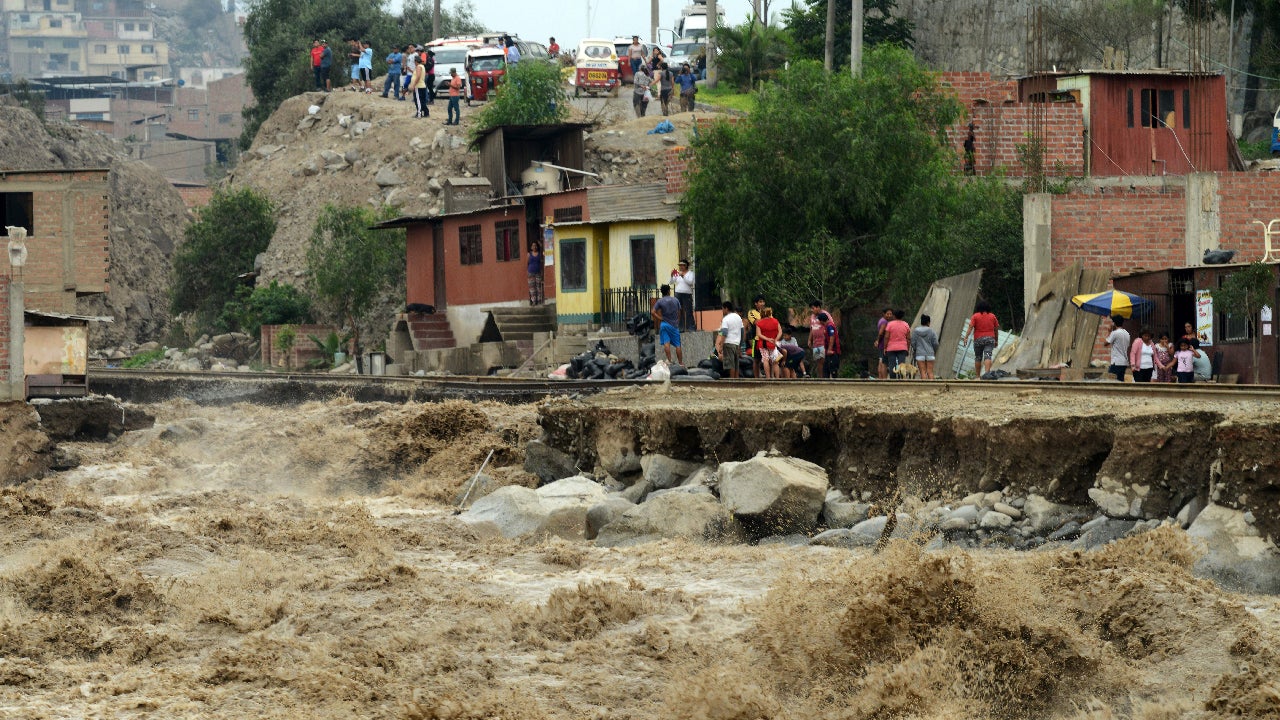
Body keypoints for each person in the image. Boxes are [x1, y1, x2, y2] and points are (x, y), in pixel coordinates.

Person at [960, 301, 999, 379]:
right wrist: (996, 340)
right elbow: (996, 329)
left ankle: (977, 376)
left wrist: (966, 337)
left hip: (978, 339)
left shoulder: (975, 316)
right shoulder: (992, 316)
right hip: (990, 339)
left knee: (978, 357)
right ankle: (987, 375)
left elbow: (970, 327)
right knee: (988, 356)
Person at [653, 284, 683, 365]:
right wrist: (677, 320)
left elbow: (653, 312)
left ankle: (669, 361)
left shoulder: (660, 301)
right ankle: (680, 363)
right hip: (674, 325)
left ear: (662, 292)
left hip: (664, 324)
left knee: (666, 343)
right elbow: (679, 312)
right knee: (678, 345)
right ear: (669, 291)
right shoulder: (675, 300)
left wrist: (660, 318)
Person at [716, 301, 742, 379]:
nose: (722, 311)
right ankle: (736, 379)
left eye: (723, 309)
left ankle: (732, 380)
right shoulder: (738, 317)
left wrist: (721, 346)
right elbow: (742, 330)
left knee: (731, 364)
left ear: (726, 308)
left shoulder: (726, 319)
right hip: (737, 343)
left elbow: (724, 333)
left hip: (728, 343)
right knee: (736, 364)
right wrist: (740, 343)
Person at [754, 307, 782, 379]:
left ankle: (768, 377)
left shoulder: (759, 323)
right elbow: (780, 332)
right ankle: (777, 378)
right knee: (775, 361)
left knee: (765, 359)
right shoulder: (775, 321)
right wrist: (775, 339)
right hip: (773, 343)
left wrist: (767, 339)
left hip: (763, 343)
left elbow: (758, 334)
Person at [883, 309, 911, 378]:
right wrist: (907, 348)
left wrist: (885, 347)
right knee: (901, 365)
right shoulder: (906, 325)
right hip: (902, 348)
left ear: (894, 316)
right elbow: (908, 338)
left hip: (891, 348)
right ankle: (901, 380)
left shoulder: (890, 324)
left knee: (892, 365)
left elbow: (886, 337)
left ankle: (893, 381)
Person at [1104, 314, 1131, 382]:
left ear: (1114, 323)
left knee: (1111, 381)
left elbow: (1105, 343)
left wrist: (1109, 331)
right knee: (1120, 382)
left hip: (1116, 362)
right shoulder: (1127, 333)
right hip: (1124, 362)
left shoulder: (1115, 333)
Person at [913, 314, 940, 380]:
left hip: (919, 354)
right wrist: (934, 350)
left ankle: (924, 388)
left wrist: (916, 349)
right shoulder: (931, 331)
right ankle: (932, 388)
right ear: (928, 322)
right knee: (930, 372)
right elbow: (936, 343)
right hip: (930, 353)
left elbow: (913, 342)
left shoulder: (916, 331)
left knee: (923, 372)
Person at [806, 300, 828, 378]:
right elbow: (812, 329)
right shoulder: (812, 316)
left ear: (818, 307)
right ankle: (820, 377)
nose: (812, 310)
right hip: (816, 343)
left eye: (813, 308)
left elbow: (829, 325)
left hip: (823, 342)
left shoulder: (825, 315)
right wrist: (809, 339)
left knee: (822, 360)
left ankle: (824, 377)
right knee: (818, 361)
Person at [671, 259, 694, 330]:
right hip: (678, 293)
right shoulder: (678, 273)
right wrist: (672, 276)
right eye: (679, 265)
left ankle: (690, 327)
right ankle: (681, 328)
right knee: (679, 310)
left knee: (688, 310)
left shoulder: (691, 273)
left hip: (687, 293)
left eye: (682, 265)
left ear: (686, 266)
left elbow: (690, 282)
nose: (680, 267)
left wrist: (683, 276)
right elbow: (671, 282)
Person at [745, 295, 764, 379]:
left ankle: (771, 377)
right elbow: (756, 322)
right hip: (756, 339)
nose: (762, 303)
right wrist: (766, 321)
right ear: (755, 303)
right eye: (760, 302)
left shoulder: (767, 312)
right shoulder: (751, 312)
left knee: (771, 360)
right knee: (757, 360)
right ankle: (756, 378)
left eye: (763, 301)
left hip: (767, 338)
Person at [817, 311, 841, 378]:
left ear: (821, 321)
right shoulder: (827, 326)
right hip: (828, 352)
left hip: (833, 351)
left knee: (833, 369)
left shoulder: (830, 326)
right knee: (826, 369)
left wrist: (830, 349)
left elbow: (832, 337)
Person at [873, 307, 893, 379]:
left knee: (880, 361)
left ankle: (880, 378)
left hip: (881, 344)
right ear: (884, 314)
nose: (889, 315)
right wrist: (878, 340)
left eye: (891, 314)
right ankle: (883, 379)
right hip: (883, 345)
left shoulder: (881, 320)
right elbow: (881, 333)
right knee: (883, 363)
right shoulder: (884, 322)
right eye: (888, 314)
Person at [527, 240, 544, 306]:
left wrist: (541, 245)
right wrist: (527, 272)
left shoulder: (540, 254)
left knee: (538, 287)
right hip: (530, 272)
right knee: (532, 287)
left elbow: (541, 261)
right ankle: (534, 301)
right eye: (533, 246)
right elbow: (527, 263)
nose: (534, 247)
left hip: (538, 272)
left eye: (535, 245)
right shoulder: (529, 254)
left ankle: (539, 300)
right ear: (531, 247)